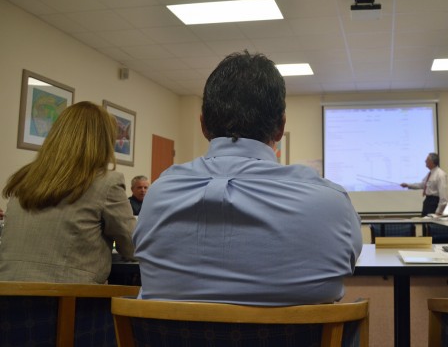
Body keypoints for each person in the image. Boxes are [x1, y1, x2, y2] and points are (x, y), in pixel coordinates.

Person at [134, 51, 363, 305]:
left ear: (203, 126)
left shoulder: (157, 194)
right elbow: (348, 262)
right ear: (280, 127)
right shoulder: (332, 203)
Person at [0, 101, 136, 283]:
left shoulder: (23, 178)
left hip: (9, 297)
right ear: (104, 141)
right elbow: (134, 247)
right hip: (69, 301)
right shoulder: (107, 183)